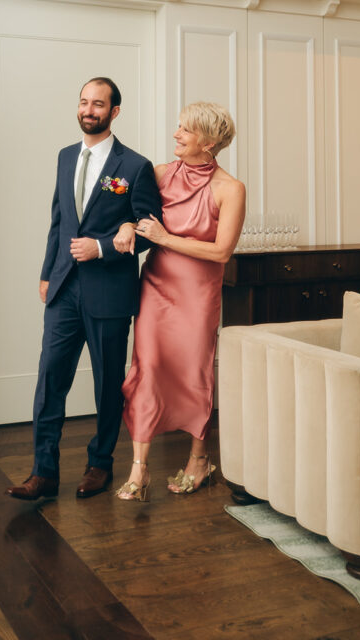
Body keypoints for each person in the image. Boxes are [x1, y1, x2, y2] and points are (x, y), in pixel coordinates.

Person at [7, 77, 162, 502]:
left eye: (98, 104)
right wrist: (46, 273)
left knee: (107, 384)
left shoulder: (135, 167)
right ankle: (44, 473)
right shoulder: (63, 157)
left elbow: (149, 231)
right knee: (50, 381)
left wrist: (102, 247)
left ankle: (100, 465)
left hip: (109, 293)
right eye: (83, 102)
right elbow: (59, 223)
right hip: (63, 289)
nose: (88, 109)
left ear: (114, 112)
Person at [115, 102, 246, 501]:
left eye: (185, 130)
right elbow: (121, 200)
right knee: (148, 367)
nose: (176, 134)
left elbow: (222, 252)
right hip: (156, 287)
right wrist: (125, 222)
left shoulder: (230, 189)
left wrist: (164, 239)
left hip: (198, 294)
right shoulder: (156, 174)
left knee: (194, 372)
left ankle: (199, 459)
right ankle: (139, 470)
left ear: (207, 143)